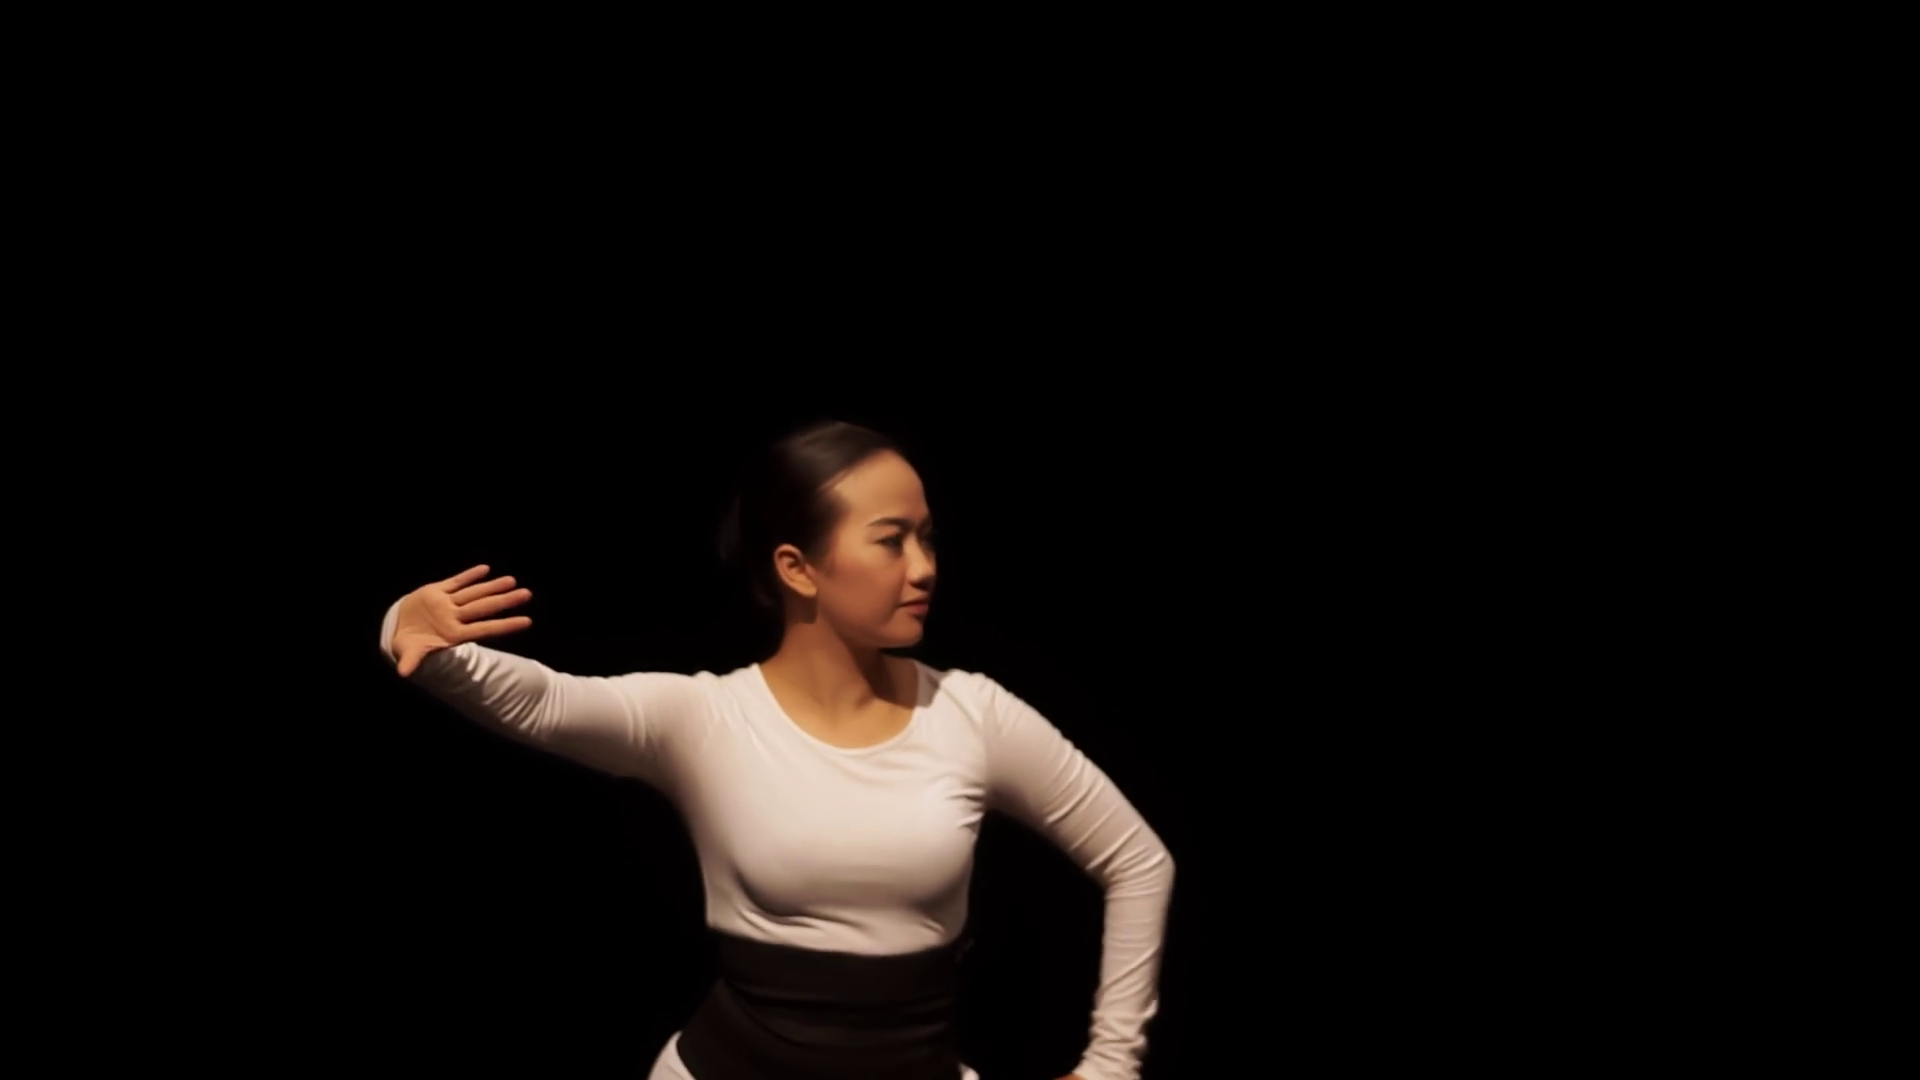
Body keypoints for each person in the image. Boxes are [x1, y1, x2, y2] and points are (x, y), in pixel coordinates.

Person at [379, 421, 1174, 1079]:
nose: (925, 567)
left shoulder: (971, 713)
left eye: (927, 539)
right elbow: (545, 699)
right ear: (798, 568)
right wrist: (404, 631)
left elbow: (1139, 862)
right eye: (891, 541)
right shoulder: (706, 718)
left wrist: (1111, 1065)